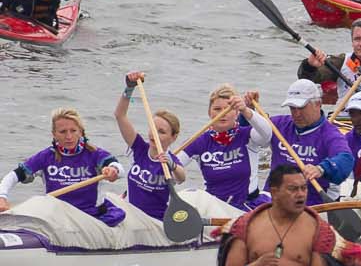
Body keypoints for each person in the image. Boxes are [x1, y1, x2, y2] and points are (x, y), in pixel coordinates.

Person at [221, 166, 333, 266]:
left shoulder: (317, 228)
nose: (300, 195)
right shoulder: (247, 225)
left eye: (304, 188)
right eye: (293, 189)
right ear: (274, 192)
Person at [0, 108, 123, 223]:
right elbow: (13, 176)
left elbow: (119, 168)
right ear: (54, 134)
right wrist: (2, 197)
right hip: (58, 215)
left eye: (73, 131)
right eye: (63, 132)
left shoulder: (94, 153)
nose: (68, 137)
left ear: (80, 132)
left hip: (90, 215)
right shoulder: (45, 156)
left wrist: (113, 170)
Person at [250, 79, 354, 197]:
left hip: (311, 202)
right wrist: (248, 112)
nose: (296, 114)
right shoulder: (279, 124)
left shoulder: (330, 134)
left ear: (318, 104)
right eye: (292, 108)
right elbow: (245, 134)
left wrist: (321, 169)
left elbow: (346, 159)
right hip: (273, 199)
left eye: (301, 108)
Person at [112, 72, 187, 224]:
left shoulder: (169, 160)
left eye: (162, 132)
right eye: (153, 128)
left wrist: (172, 165)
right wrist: (129, 88)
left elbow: (181, 178)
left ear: (173, 137)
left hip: (154, 222)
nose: (155, 135)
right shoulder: (140, 148)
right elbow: (120, 115)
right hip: (132, 217)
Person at [187, 86, 262, 210]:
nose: (222, 114)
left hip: (246, 204)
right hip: (215, 206)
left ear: (237, 112)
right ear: (209, 112)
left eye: (228, 109)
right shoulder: (199, 141)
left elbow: (267, 134)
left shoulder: (248, 134)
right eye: (217, 109)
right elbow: (174, 164)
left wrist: (248, 110)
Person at [300, 18, 361, 96]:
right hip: (343, 119)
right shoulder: (340, 61)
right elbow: (307, 79)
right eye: (357, 39)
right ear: (352, 42)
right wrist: (309, 66)